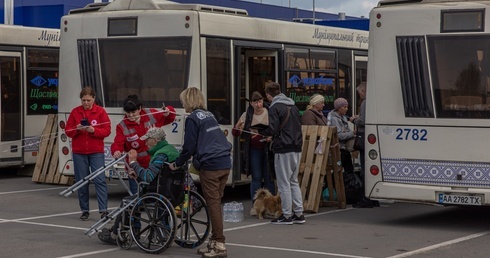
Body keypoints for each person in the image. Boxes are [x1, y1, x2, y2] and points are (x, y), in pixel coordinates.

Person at [98, 126, 190, 244]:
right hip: (174, 192)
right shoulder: (171, 150)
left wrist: (133, 163)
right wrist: (137, 174)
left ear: (155, 141)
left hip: (159, 193)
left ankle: (115, 234)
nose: (145, 142)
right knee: (135, 197)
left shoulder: (161, 154)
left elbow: (148, 177)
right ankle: (132, 230)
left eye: (147, 140)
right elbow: (157, 175)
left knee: (127, 201)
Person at [169, 87, 232, 258]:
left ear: (188, 101)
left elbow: (189, 146)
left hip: (211, 163)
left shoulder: (193, 118)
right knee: (215, 204)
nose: (182, 104)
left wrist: (177, 163)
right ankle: (213, 241)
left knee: (213, 205)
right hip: (225, 161)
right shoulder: (209, 115)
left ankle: (219, 245)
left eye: (183, 100)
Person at [257, 82, 305, 225]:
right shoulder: (293, 106)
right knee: (293, 181)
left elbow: (272, 129)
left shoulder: (274, 107)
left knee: (283, 183)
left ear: (268, 95)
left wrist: (259, 132)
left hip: (283, 148)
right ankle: (299, 213)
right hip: (297, 147)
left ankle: (286, 215)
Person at [111, 95, 176, 194]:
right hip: (136, 167)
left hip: (153, 164)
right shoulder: (122, 126)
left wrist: (168, 111)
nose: (131, 115)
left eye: (134, 112)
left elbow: (170, 117)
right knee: (137, 197)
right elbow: (118, 142)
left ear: (140, 109)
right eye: (128, 113)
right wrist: (116, 150)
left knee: (154, 195)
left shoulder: (150, 114)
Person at [65, 86, 111, 221]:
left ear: (94, 99)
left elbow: (107, 130)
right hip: (79, 152)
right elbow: (68, 131)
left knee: (100, 180)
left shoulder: (101, 112)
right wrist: (77, 129)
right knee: (82, 181)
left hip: (96, 151)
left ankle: (103, 210)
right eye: (83, 100)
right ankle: (85, 210)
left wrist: (93, 131)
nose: (86, 103)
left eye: (88, 100)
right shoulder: (75, 112)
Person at [232, 91, 275, 216]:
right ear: (251, 103)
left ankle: (270, 206)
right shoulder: (247, 115)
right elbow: (236, 133)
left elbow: (275, 128)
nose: (258, 104)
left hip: (268, 148)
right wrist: (237, 127)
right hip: (254, 149)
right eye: (255, 102)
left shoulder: (269, 111)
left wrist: (270, 136)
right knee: (256, 178)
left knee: (269, 178)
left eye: (260, 101)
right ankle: (255, 206)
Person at [327, 97, 360, 204]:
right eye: (344, 107)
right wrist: (353, 133)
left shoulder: (343, 117)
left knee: (349, 171)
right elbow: (340, 135)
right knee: (338, 171)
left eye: (347, 106)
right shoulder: (334, 119)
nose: (346, 109)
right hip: (339, 149)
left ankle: (349, 194)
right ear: (338, 108)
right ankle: (340, 193)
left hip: (344, 149)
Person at [351, 82, 379, 208]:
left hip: (365, 137)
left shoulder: (365, 102)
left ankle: (366, 198)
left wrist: (354, 120)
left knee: (364, 168)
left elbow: (363, 121)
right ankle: (374, 198)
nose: (360, 96)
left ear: (363, 91)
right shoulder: (376, 101)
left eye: (360, 93)